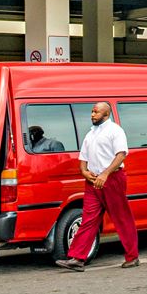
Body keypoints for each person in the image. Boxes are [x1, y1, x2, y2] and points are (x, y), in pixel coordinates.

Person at [57, 100, 136, 271]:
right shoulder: (91, 133)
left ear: (106, 114)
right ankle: (77, 258)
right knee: (89, 219)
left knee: (121, 218)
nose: (92, 115)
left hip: (112, 179)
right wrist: (84, 172)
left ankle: (132, 256)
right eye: (92, 112)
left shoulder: (115, 131)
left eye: (96, 112)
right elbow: (83, 158)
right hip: (92, 181)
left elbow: (121, 154)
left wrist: (105, 174)